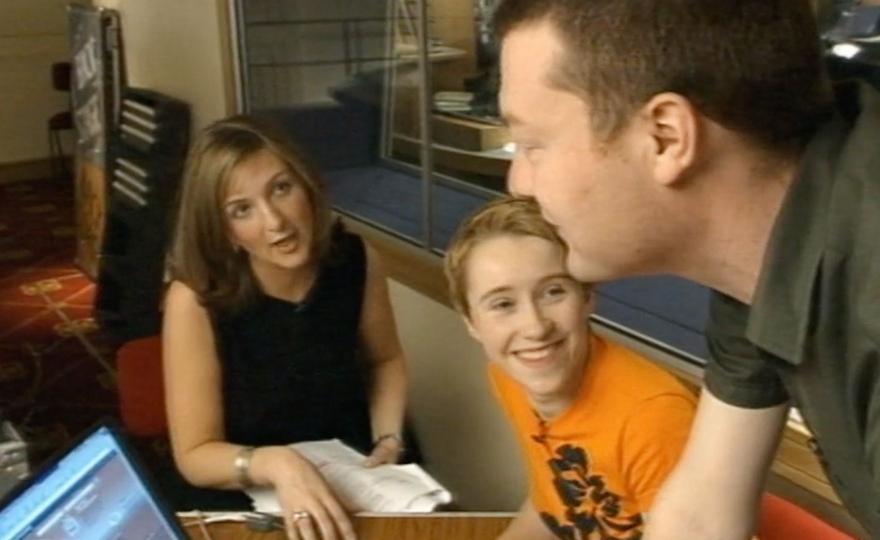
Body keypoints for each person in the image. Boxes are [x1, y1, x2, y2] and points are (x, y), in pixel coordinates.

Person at [493, 0, 880, 537]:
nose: (519, 183)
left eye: (534, 144)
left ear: (666, 137)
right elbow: (701, 513)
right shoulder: (765, 243)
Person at [163, 114, 409, 540]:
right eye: (242, 210)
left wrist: (388, 437)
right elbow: (194, 456)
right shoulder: (194, 298)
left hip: (353, 464)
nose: (275, 221)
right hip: (243, 485)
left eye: (281, 188)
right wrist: (279, 464)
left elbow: (385, 360)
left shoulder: (356, 259)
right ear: (224, 231)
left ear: (306, 185)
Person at [444, 196, 696, 539]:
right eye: (503, 304)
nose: (535, 327)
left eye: (553, 292)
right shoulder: (509, 377)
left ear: (587, 297)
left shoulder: (653, 418)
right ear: (471, 323)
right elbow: (556, 509)